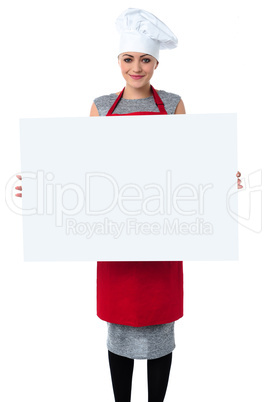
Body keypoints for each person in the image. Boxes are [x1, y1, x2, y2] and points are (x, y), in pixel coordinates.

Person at [15, 7, 244, 402]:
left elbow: (191, 164)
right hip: (114, 238)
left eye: (145, 60)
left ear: (156, 62)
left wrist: (222, 178)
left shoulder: (173, 105)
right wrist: (41, 186)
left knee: (161, 331)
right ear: (118, 61)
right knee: (119, 330)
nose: (136, 68)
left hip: (164, 236)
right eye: (128, 59)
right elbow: (83, 171)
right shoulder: (102, 107)